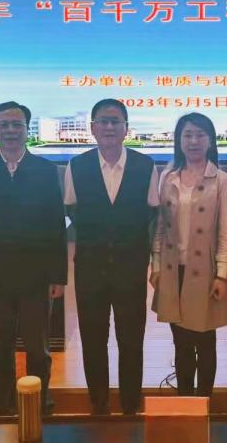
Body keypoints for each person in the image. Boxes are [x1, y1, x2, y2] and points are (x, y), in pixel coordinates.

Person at [0, 101, 67, 416]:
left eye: (17, 124)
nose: (11, 130)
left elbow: (56, 225)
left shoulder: (46, 171)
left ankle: (40, 404)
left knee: (38, 349)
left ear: (27, 129)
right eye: (4, 125)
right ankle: (2, 405)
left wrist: (58, 276)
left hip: (37, 277)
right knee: (0, 349)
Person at [65, 99, 159, 415]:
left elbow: (151, 213)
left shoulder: (145, 166)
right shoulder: (77, 166)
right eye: (103, 121)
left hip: (130, 268)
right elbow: (72, 210)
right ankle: (99, 401)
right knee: (93, 338)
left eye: (115, 121)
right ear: (92, 128)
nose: (109, 127)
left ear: (126, 128)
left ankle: (131, 402)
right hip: (89, 269)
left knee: (131, 338)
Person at [150, 113, 227, 397]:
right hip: (173, 270)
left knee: (205, 340)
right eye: (187, 135)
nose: (193, 141)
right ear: (179, 140)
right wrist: (156, 264)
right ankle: (185, 401)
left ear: (210, 140)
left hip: (206, 272)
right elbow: (160, 227)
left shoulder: (222, 180)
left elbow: (226, 232)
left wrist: (222, 274)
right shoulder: (168, 177)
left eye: (200, 135)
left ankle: (204, 401)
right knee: (181, 342)